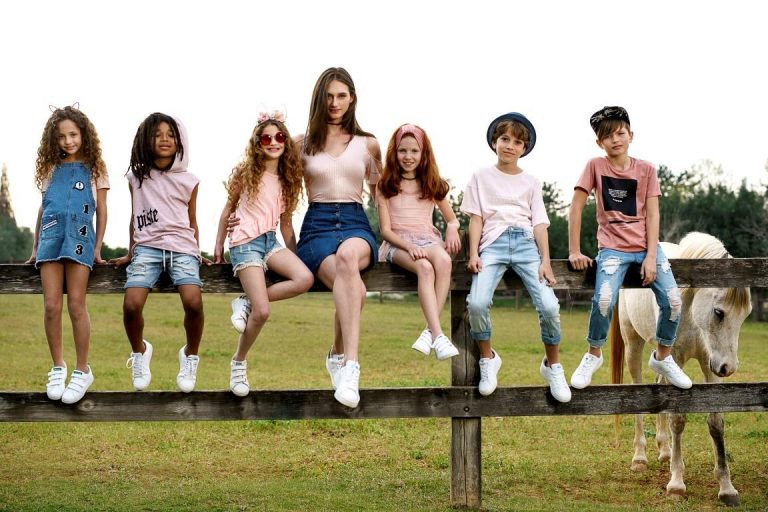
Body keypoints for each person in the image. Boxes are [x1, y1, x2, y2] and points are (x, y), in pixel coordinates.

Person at [568, 106, 691, 390]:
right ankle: (593, 354)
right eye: (607, 136)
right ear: (599, 142)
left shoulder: (646, 169)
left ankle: (663, 356)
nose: (615, 139)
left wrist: (651, 256)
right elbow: (575, 208)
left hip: (646, 248)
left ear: (631, 135)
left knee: (673, 301)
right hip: (612, 249)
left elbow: (653, 214)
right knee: (604, 300)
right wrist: (574, 250)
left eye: (620, 133)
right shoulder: (595, 166)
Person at [461, 112, 570, 402]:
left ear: (524, 148)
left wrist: (545, 260)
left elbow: (540, 223)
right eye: (505, 139)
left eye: (517, 142)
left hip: (525, 244)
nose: (510, 145)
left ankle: (553, 366)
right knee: (477, 302)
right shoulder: (480, 177)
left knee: (549, 305)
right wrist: (473, 253)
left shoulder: (531, 182)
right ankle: (488, 358)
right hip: (493, 244)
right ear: (494, 142)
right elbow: (475, 218)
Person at [294, 67, 382, 408]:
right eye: (329, 96)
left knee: (348, 257)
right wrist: (285, 244)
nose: (335, 103)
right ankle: (336, 352)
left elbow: (381, 196)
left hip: (355, 222)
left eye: (341, 96)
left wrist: (394, 237)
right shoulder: (301, 144)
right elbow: (283, 196)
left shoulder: (367, 144)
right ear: (320, 99)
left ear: (352, 98)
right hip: (316, 226)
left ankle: (350, 366)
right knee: (354, 291)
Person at [214, 111, 314, 397]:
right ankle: (239, 361)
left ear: (286, 142)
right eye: (266, 138)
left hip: (270, 241)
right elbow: (228, 209)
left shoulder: (289, 178)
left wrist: (295, 256)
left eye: (279, 137)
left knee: (305, 278)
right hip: (245, 241)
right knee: (263, 311)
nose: (273, 142)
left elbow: (286, 225)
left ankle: (246, 300)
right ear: (257, 143)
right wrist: (218, 245)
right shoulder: (246, 172)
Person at [111, 113, 209, 393]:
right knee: (131, 305)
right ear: (146, 140)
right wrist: (131, 251)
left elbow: (192, 220)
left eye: (171, 134)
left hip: (182, 248)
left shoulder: (189, 180)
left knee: (193, 302)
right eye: (157, 135)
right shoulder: (136, 178)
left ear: (180, 141)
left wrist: (195, 250)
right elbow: (134, 216)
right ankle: (139, 351)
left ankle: (190, 355)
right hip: (147, 249)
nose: (164, 139)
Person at [27, 105, 109, 404]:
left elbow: (102, 210)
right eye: (61, 136)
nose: (68, 141)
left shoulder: (96, 169)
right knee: (51, 306)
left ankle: (82, 369)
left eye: (73, 134)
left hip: (80, 239)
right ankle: (58, 365)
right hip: (50, 240)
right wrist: (35, 245)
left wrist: (98, 246)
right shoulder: (50, 169)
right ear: (54, 139)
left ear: (83, 134)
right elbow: (44, 208)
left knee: (76, 305)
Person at [377, 123, 461, 359]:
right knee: (425, 268)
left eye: (414, 151)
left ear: (424, 153)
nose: (408, 156)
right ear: (394, 152)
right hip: (398, 244)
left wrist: (452, 228)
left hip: (427, 238)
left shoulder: (432, 183)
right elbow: (385, 230)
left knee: (444, 261)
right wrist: (409, 246)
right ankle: (438, 334)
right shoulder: (385, 185)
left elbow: (452, 219)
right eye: (403, 150)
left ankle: (429, 332)